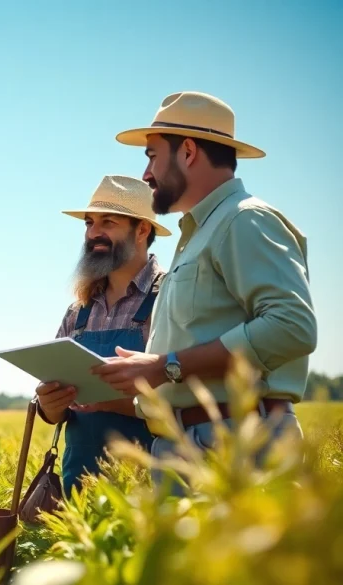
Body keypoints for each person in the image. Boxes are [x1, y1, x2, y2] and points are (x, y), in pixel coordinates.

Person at [94, 91, 316, 488]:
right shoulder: (199, 234)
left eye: (151, 156)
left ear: (189, 152)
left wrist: (165, 365)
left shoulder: (244, 220)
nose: (146, 175)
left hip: (238, 445)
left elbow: (292, 325)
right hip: (185, 445)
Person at [34, 175, 171, 496]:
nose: (94, 233)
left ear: (142, 230)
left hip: (149, 488)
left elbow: (187, 394)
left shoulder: (170, 297)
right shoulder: (78, 310)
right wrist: (50, 404)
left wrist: (116, 403)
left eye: (108, 222)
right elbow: (51, 414)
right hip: (77, 487)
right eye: (89, 222)